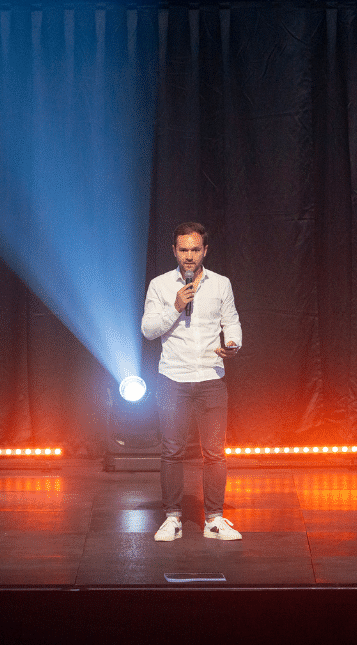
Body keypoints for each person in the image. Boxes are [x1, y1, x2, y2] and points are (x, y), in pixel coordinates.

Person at [141, 222, 242, 541]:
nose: (189, 255)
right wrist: (176, 306)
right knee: (172, 450)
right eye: (183, 249)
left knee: (215, 452)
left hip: (211, 377)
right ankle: (172, 518)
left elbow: (232, 321)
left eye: (195, 249)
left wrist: (234, 344)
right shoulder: (159, 285)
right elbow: (148, 329)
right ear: (174, 251)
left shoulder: (221, 284)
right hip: (174, 378)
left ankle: (214, 518)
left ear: (205, 251)